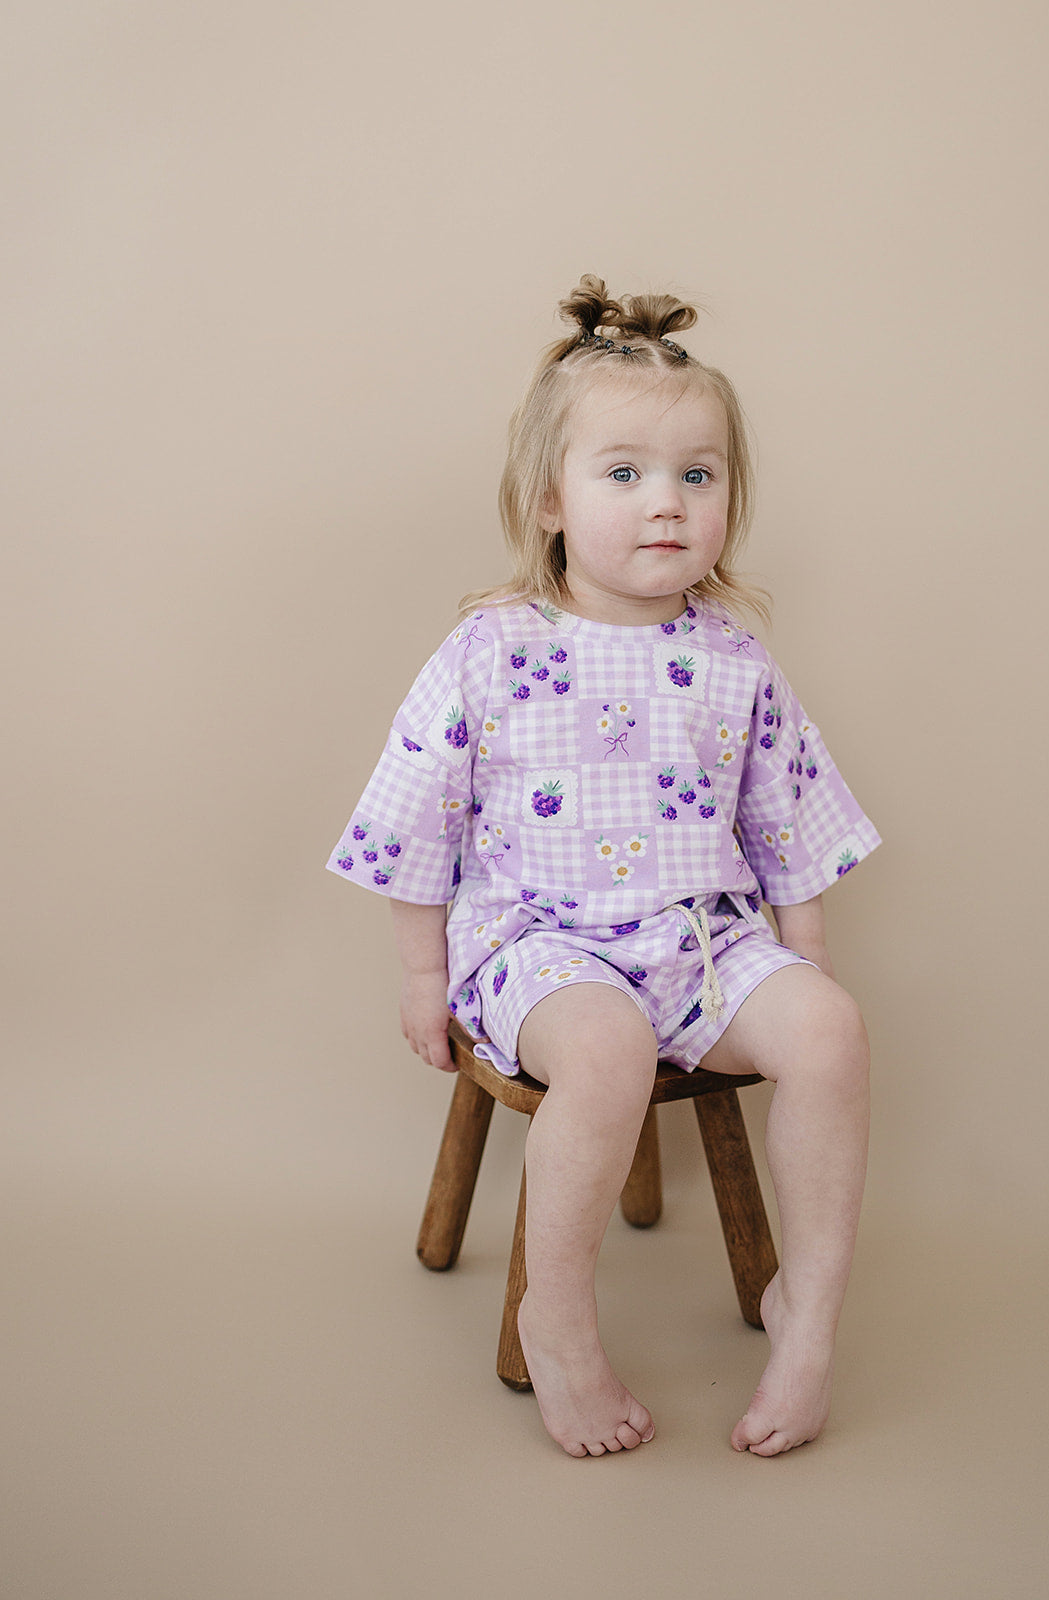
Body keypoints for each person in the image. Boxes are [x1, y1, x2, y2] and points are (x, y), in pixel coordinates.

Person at [327, 274, 882, 1459]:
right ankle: (560, 1315)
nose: (666, 501)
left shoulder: (734, 658)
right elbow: (416, 821)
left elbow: (789, 823)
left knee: (831, 1034)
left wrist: (804, 963)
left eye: (698, 475)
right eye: (623, 473)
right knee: (608, 1045)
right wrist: (424, 979)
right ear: (550, 501)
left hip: (700, 944)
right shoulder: (492, 648)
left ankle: (810, 1313)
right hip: (539, 945)